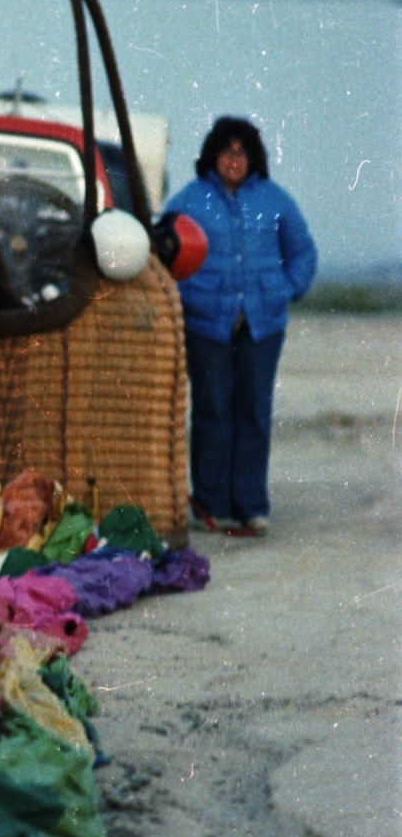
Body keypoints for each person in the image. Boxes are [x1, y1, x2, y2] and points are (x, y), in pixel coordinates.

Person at [163, 115, 317, 536]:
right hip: (205, 326)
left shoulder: (277, 201)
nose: (235, 160)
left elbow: (303, 254)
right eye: (226, 151)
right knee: (212, 410)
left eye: (242, 152)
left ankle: (251, 506)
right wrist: (185, 299)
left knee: (254, 411)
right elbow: (164, 254)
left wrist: (285, 290)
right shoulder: (188, 201)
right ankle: (210, 506)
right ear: (213, 156)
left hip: (262, 326)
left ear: (254, 158)